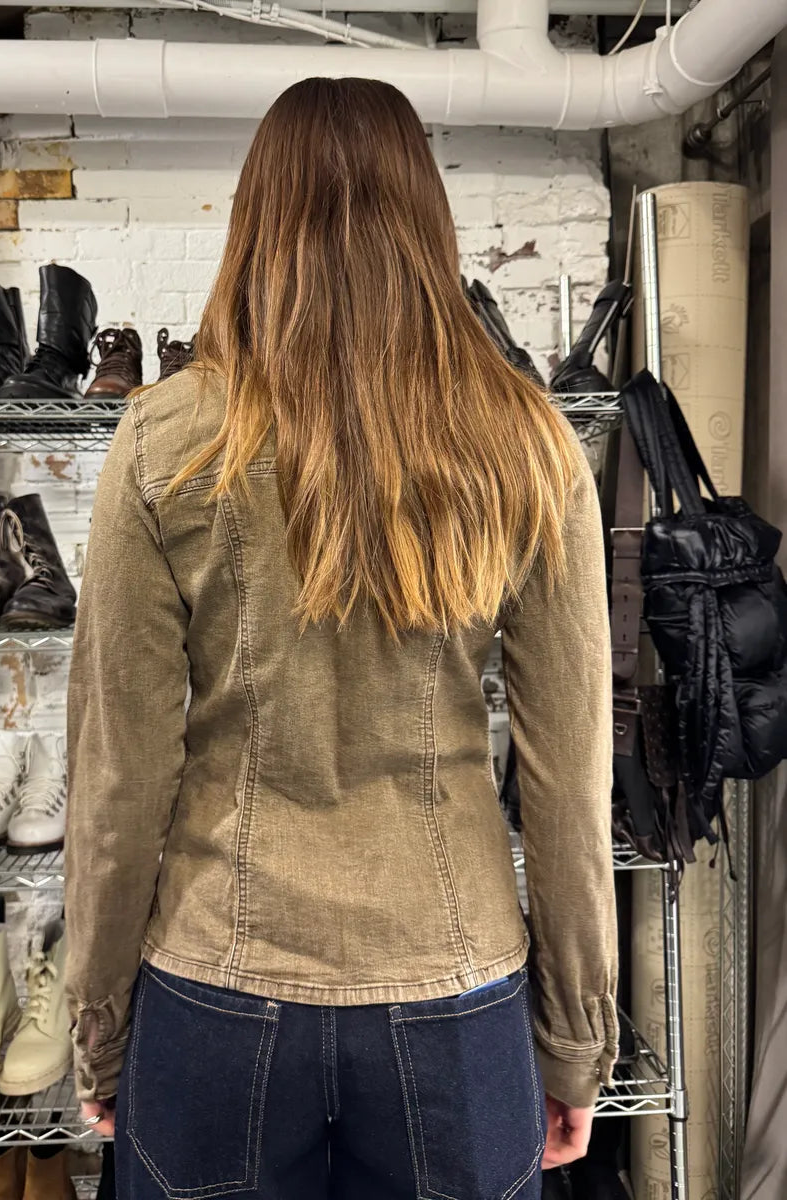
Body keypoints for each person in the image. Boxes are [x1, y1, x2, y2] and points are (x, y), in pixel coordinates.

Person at [65, 76, 618, 1200]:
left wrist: (102, 1023)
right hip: (453, 985)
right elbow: (570, 781)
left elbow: (119, 775)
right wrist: (573, 1039)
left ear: (255, 220)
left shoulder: (163, 439)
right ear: (427, 219)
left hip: (216, 982)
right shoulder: (526, 441)